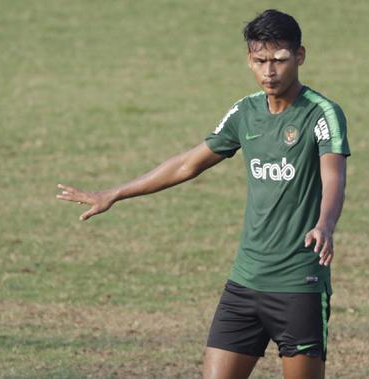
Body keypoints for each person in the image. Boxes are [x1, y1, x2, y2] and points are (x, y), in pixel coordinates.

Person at [56, 9, 350, 379]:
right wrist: (114, 193)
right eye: (260, 61)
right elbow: (186, 164)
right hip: (245, 283)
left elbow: (334, 175)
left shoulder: (322, 113)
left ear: (300, 56)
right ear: (249, 59)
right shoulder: (245, 112)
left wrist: (325, 224)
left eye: (279, 60)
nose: (269, 72)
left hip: (298, 285)